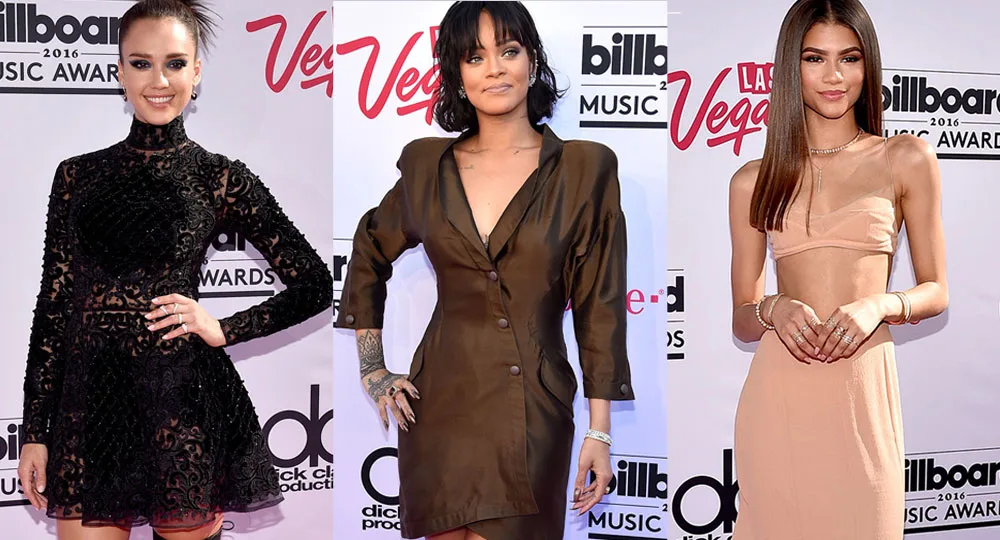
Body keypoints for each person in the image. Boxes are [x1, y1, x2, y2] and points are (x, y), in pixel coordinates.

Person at [16, 1, 333, 539]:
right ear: (118, 72)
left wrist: (223, 328)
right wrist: (34, 431)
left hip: (180, 407)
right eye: (140, 63)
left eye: (175, 63)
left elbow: (316, 285)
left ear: (197, 72)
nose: (158, 80)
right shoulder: (76, 176)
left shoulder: (219, 177)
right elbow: (54, 307)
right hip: (89, 411)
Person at [335, 2, 633, 539]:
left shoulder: (586, 167)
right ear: (457, 74)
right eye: (475, 56)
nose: (494, 68)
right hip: (440, 402)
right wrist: (373, 368)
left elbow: (600, 306)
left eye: (509, 51)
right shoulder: (425, 166)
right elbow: (369, 249)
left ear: (533, 60)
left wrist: (601, 431)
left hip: (533, 407)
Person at [728, 0, 948, 538]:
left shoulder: (905, 158)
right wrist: (773, 307)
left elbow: (937, 289)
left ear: (867, 65)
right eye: (814, 58)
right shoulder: (752, 180)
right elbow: (741, 318)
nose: (833, 76)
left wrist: (882, 304)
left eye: (849, 58)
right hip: (779, 401)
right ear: (790, 67)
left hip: (862, 399)